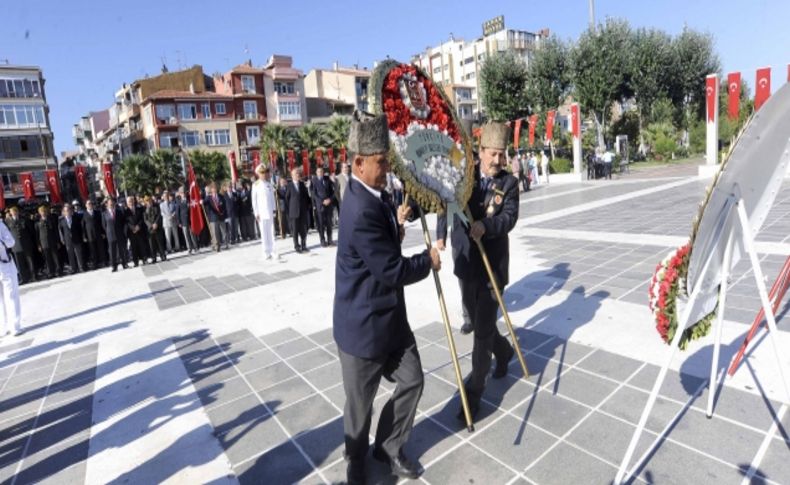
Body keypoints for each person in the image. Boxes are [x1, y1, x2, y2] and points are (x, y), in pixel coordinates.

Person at [334, 111, 440, 484]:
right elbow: (392, 269)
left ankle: (390, 446)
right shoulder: (360, 207)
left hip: (391, 320)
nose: (386, 168)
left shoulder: (373, 195)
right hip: (363, 327)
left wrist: (396, 220)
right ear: (359, 163)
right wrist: (427, 261)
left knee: (413, 380)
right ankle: (356, 460)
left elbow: (381, 248)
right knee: (359, 411)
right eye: (381, 163)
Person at [445, 121, 518, 422]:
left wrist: (486, 226)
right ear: (481, 151)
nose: (498, 161)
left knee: (481, 333)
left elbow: (508, 218)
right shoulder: (466, 176)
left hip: (493, 269)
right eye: (493, 154)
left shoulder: (510, 184)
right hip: (468, 264)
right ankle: (503, 352)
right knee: (478, 324)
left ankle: (473, 394)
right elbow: (444, 196)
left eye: (502, 155)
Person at [0, 218, 22, 336]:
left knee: (11, 295)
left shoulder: (0, 224)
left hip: (5, 265)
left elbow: (11, 241)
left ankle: (15, 326)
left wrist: (1, 244)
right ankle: (3, 327)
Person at [252, 165, 278, 260]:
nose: (264, 174)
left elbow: (272, 198)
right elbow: (254, 200)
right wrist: (256, 213)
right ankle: (265, 252)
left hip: (270, 211)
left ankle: (273, 251)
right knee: (264, 232)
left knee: (271, 232)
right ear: (258, 174)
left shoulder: (269, 184)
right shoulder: (255, 185)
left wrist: (274, 209)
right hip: (261, 213)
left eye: (265, 172)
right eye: (262, 173)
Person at [6, 207, 36, 283]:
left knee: (30, 261)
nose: (14, 213)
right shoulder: (8, 221)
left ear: (17, 212)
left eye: (15, 211)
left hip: (26, 243)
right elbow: (7, 233)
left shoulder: (24, 219)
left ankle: (33, 276)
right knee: (19, 263)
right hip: (16, 245)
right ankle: (23, 278)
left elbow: (30, 231)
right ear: (10, 213)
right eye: (12, 212)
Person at [285, 167, 311, 253]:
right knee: (295, 230)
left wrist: (308, 207)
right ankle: (297, 246)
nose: (298, 175)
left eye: (298, 173)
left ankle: (304, 245)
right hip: (294, 212)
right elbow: (287, 200)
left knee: (304, 229)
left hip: (303, 211)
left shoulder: (302, 184)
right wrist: (289, 212)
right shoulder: (289, 186)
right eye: (296, 174)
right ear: (292, 176)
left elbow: (307, 197)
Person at [311, 166, 335, 247]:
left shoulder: (327, 178)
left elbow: (332, 192)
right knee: (321, 224)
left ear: (323, 172)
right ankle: (322, 240)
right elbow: (313, 194)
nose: (320, 173)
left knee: (329, 223)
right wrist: (322, 202)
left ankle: (330, 239)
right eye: (318, 171)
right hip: (320, 205)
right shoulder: (314, 180)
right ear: (316, 172)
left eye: (321, 171)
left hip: (329, 204)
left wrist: (330, 200)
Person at [102, 198, 128, 272]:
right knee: (112, 251)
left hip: (120, 234)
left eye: (112, 203)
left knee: (122, 250)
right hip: (111, 235)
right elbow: (104, 225)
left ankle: (124, 264)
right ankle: (114, 266)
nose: (111, 205)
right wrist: (108, 232)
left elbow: (123, 222)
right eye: (110, 204)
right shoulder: (104, 214)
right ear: (107, 204)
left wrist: (123, 232)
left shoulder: (119, 212)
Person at [58, 204, 85, 273]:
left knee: (79, 254)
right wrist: (62, 239)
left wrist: (82, 236)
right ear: (64, 212)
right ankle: (73, 269)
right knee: (70, 255)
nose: (68, 212)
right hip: (67, 240)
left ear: (71, 211)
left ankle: (81, 267)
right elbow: (60, 231)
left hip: (76, 238)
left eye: (69, 210)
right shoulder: (61, 220)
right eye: (66, 211)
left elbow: (80, 228)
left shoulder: (75, 218)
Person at [35, 205, 60, 278]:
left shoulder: (51, 220)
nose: (43, 213)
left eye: (44, 211)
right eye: (41, 212)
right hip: (44, 243)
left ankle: (58, 271)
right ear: (39, 213)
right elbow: (37, 235)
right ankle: (50, 272)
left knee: (55, 257)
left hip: (52, 241)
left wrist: (58, 241)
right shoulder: (38, 223)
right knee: (47, 258)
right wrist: (39, 245)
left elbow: (56, 232)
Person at [203, 182, 229, 251]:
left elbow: (224, 206)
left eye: (215, 188)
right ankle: (217, 246)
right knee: (215, 233)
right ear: (211, 190)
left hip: (221, 216)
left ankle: (226, 243)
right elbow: (204, 202)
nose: (214, 189)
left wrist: (224, 214)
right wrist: (201, 201)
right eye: (212, 188)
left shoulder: (220, 196)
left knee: (224, 231)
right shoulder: (208, 197)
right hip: (213, 218)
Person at [125, 196, 149, 267]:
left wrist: (138, 226)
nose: (131, 202)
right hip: (132, 232)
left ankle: (144, 259)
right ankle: (136, 262)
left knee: (142, 245)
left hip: (140, 230)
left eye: (132, 201)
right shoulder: (125, 211)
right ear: (127, 203)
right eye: (129, 201)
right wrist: (133, 228)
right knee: (134, 247)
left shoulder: (139, 209)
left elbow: (142, 218)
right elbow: (126, 222)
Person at [143, 196, 167, 263]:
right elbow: (145, 219)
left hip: (157, 227)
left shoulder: (156, 206)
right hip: (150, 229)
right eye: (147, 201)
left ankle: (163, 256)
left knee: (160, 243)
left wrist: (156, 223)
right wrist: (151, 225)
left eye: (149, 200)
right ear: (145, 202)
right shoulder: (144, 209)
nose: (149, 202)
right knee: (152, 245)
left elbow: (159, 215)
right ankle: (154, 258)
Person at [82, 200, 105, 269]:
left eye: (91, 203)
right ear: (86, 205)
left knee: (101, 248)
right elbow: (83, 226)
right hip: (90, 235)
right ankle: (95, 264)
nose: (90, 205)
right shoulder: (84, 214)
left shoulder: (97, 212)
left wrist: (103, 233)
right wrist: (84, 236)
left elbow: (101, 223)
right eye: (88, 204)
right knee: (93, 250)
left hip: (98, 233)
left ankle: (103, 262)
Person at [176, 189, 198, 254]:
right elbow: (177, 212)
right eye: (182, 193)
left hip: (190, 220)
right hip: (183, 220)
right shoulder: (178, 201)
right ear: (180, 194)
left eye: (184, 192)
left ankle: (195, 247)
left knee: (192, 234)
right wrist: (179, 222)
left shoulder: (189, 200)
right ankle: (189, 248)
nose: (183, 194)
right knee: (186, 235)